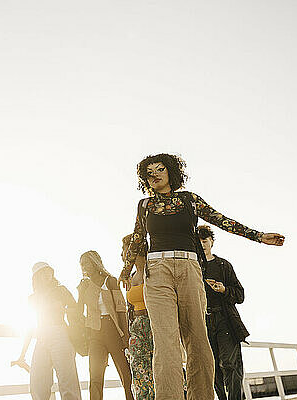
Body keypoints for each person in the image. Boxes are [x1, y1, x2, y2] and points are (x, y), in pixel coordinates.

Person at [119, 153, 284, 400]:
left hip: (189, 269)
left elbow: (222, 220)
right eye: (149, 172)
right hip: (157, 272)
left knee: (197, 339)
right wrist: (125, 269)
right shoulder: (144, 205)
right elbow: (137, 239)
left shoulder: (189, 200)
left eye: (159, 169)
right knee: (165, 342)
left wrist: (258, 236)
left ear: (171, 172)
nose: (153, 175)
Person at [12, 262, 82, 400]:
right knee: (37, 384)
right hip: (41, 338)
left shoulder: (61, 290)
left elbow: (77, 311)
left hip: (60, 334)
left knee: (67, 382)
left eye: (49, 271)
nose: (47, 274)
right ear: (36, 277)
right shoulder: (33, 298)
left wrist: (64, 309)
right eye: (43, 272)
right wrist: (22, 355)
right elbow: (30, 327)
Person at [198, 225, 248, 400]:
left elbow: (240, 295)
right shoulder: (193, 268)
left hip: (225, 319)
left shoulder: (224, 265)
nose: (202, 244)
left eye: (205, 241)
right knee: (212, 368)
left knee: (230, 364)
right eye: (199, 241)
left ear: (211, 241)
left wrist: (224, 289)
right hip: (203, 322)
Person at [77, 250, 134, 400]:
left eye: (86, 263)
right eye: (82, 264)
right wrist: (80, 293)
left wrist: (125, 335)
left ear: (95, 263)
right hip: (95, 334)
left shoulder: (110, 281)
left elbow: (121, 309)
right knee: (95, 376)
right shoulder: (85, 286)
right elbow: (79, 313)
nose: (84, 267)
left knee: (125, 374)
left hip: (113, 331)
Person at [122, 234, 155, 400]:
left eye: (123, 250)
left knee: (157, 366)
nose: (122, 254)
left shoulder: (153, 271)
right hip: (136, 325)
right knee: (138, 367)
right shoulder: (131, 276)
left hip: (153, 323)